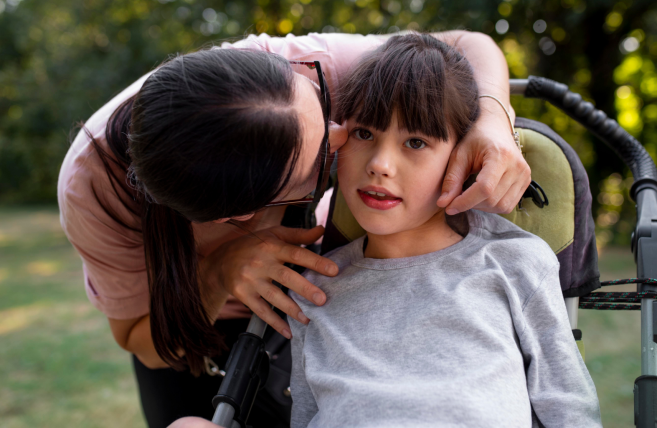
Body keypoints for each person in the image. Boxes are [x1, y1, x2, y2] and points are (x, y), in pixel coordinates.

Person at [57, 31, 530, 427]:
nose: (344, 135)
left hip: (307, 299)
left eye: (325, 109)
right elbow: (139, 338)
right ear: (244, 215)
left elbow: (468, 43)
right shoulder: (92, 190)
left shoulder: (298, 70)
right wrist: (220, 273)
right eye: (325, 152)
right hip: (195, 332)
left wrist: (494, 116)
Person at [288, 34, 602, 427]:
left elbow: (568, 407)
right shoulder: (313, 290)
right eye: (364, 134)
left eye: (415, 142)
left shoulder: (513, 262)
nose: (381, 164)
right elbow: (304, 415)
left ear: (463, 158)